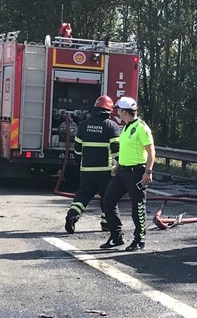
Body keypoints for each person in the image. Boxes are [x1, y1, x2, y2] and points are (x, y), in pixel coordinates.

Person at [99, 96, 155, 250]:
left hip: (136, 172)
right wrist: (117, 165)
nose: (117, 112)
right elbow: (125, 149)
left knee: (137, 207)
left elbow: (151, 152)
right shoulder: (126, 127)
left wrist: (148, 172)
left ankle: (139, 239)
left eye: (118, 110)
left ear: (124, 111)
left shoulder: (141, 128)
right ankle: (116, 237)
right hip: (122, 172)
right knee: (108, 201)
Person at [64, 95, 121, 234]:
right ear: (108, 110)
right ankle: (106, 224)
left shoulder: (83, 125)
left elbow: (77, 149)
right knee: (108, 198)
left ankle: (72, 215)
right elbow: (116, 149)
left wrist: (78, 163)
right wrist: (120, 165)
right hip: (106, 171)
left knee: (83, 195)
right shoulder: (111, 126)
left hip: (87, 170)